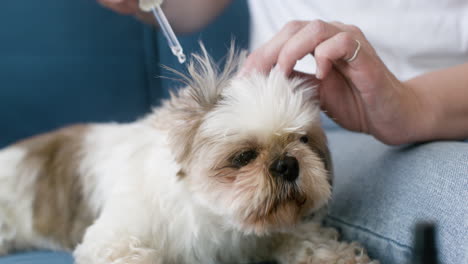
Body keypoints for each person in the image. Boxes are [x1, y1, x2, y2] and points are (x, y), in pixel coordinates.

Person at [99, 0, 468, 263]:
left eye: (302, 145)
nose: (283, 164)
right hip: (337, 116)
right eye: (245, 157)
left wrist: (415, 104)